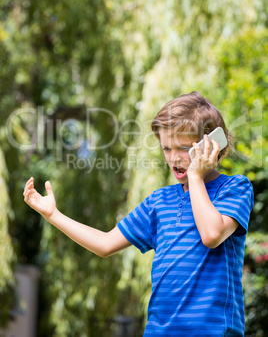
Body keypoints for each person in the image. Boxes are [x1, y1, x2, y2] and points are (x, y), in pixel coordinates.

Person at [23, 91, 254, 336]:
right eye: (166, 148)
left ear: (211, 146)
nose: (174, 157)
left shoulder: (235, 188)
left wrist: (196, 176)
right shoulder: (159, 201)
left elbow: (211, 234)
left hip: (212, 331)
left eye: (184, 148)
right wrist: (53, 215)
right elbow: (104, 244)